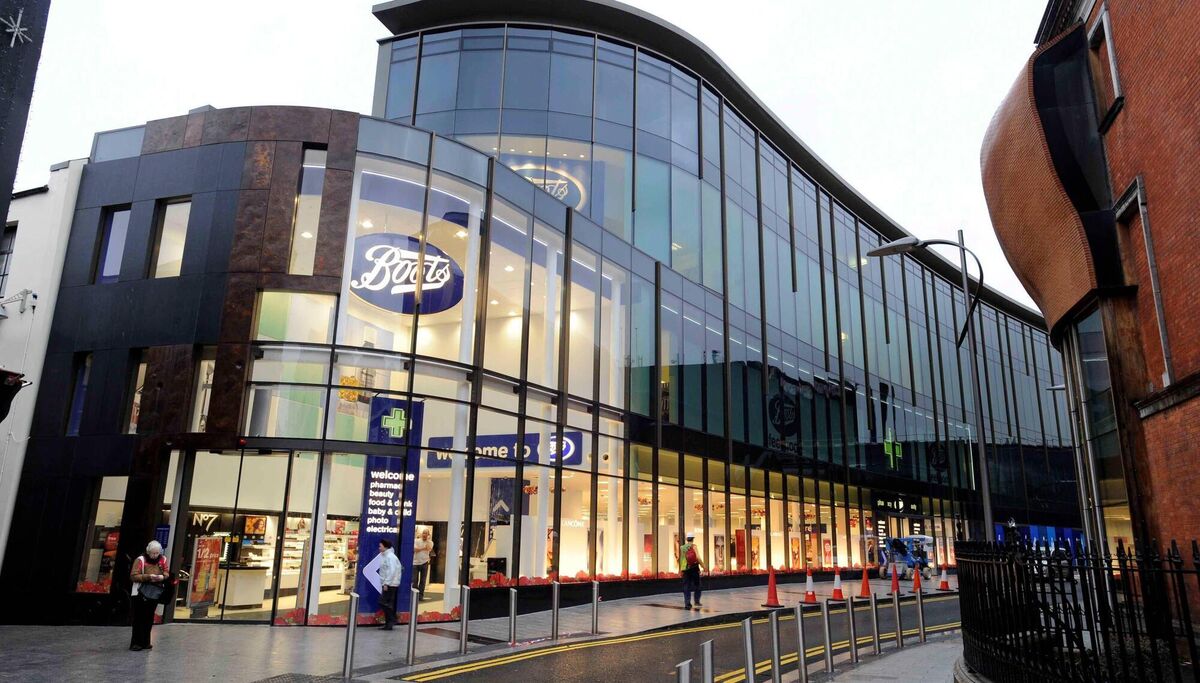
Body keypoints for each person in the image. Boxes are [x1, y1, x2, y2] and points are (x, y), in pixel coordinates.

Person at [129, 540, 168, 651]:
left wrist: (162, 577)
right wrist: (148, 577)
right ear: (148, 551)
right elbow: (133, 576)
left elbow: (166, 572)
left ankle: (146, 641)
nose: (155, 555)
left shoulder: (163, 559)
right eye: (153, 553)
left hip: (154, 592)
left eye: (157, 553)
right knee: (138, 618)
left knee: (149, 617)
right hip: (139, 592)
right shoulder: (140, 560)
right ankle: (136, 642)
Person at [377, 540, 402, 630]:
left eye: (380, 546)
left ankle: (392, 619)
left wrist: (386, 583)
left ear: (385, 546)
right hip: (389, 583)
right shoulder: (386, 556)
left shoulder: (390, 557)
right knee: (387, 603)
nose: (379, 548)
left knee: (384, 602)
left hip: (390, 584)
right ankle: (389, 623)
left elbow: (391, 571)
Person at [679, 534, 706, 610]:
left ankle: (687, 604)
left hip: (685, 569)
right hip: (694, 568)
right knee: (698, 585)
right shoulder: (694, 546)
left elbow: (681, 559)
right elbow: (697, 557)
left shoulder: (682, 547)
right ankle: (697, 601)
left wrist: (680, 569)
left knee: (686, 587)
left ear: (687, 539)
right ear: (693, 539)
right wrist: (703, 566)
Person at [411, 529, 434, 601]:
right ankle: (415, 595)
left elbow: (429, 548)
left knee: (423, 581)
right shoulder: (416, 540)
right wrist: (423, 548)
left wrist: (427, 542)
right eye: (423, 533)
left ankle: (420, 596)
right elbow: (415, 549)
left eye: (426, 534)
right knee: (414, 580)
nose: (424, 535)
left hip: (425, 563)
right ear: (421, 534)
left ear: (428, 535)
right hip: (415, 563)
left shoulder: (430, 542)